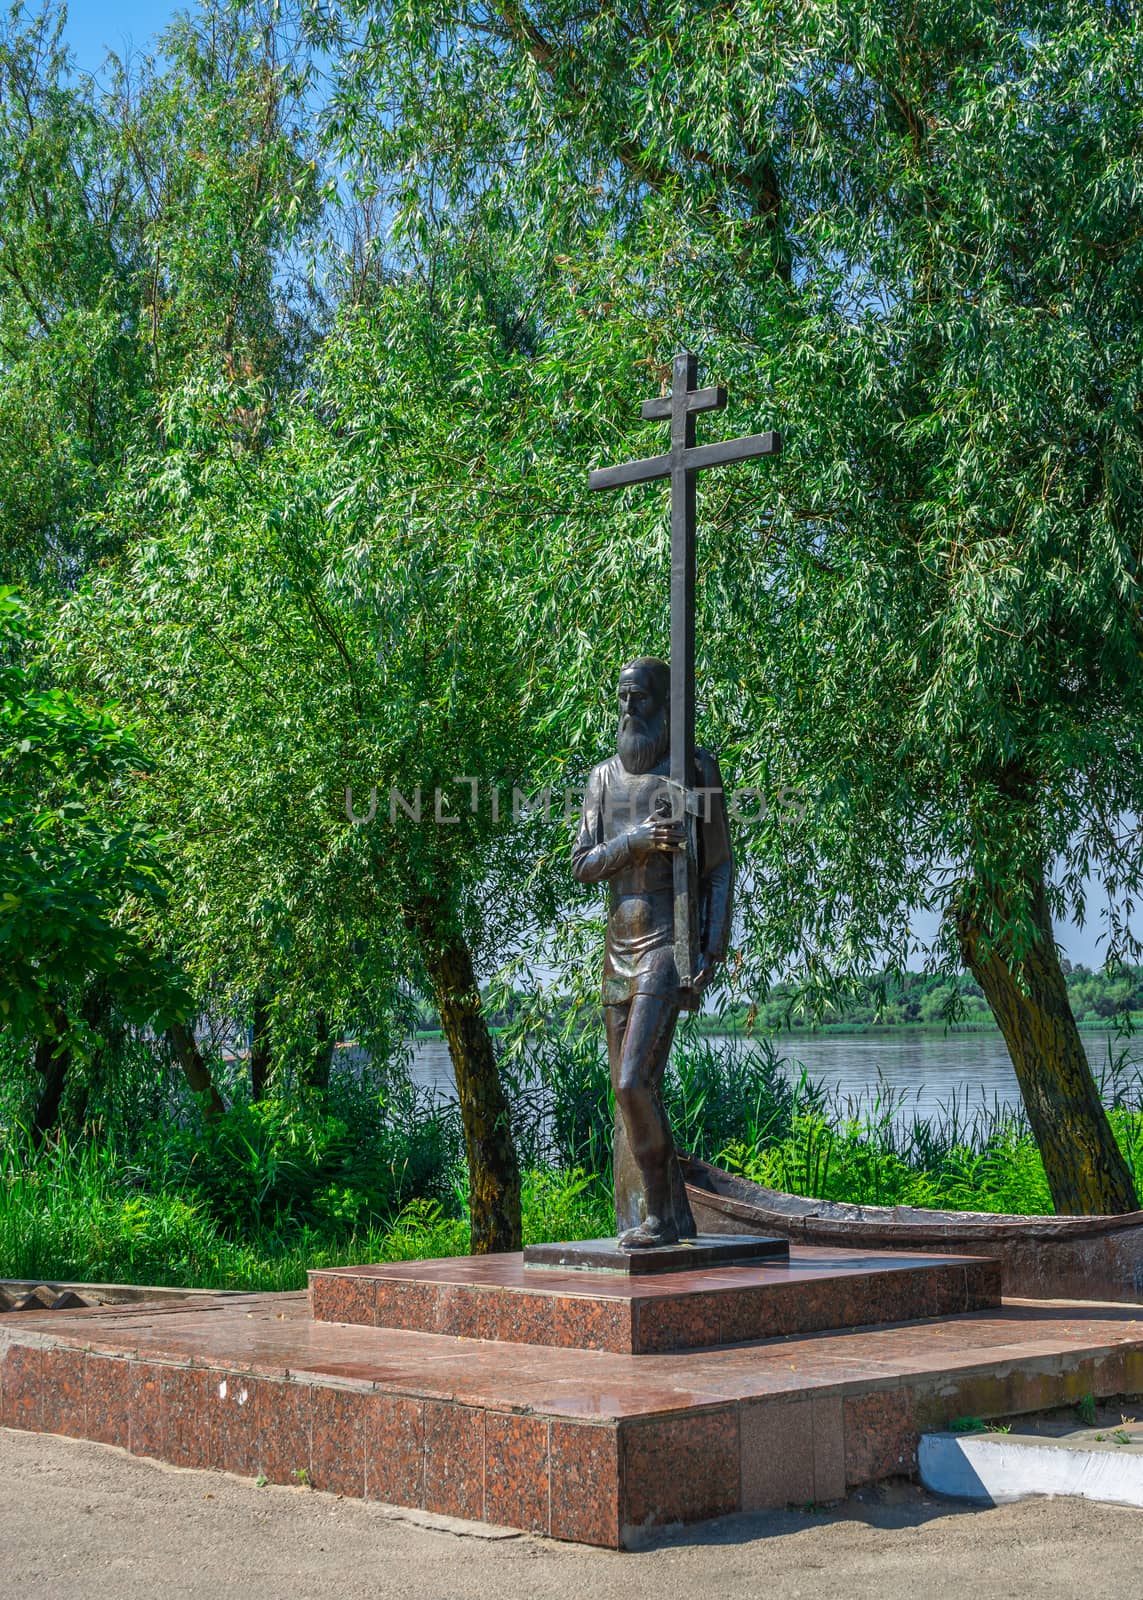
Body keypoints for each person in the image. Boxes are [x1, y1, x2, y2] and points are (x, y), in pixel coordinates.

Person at [572, 656, 734, 1247]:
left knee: (633, 1081)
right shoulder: (602, 780)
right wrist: (634, 842)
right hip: (617, 946)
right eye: (621, 698)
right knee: (630, 1088)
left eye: (639, 698)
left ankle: (662, 1217)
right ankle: (672, 1216)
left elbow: (719, 868)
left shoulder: (693, 772)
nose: (628, 709)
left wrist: (710, 950)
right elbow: (582, 864)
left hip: (667, 943)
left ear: (666, 705)